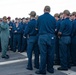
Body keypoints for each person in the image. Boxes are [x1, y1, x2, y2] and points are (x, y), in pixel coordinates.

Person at [35, 6, 56, 74]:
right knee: (51, 54)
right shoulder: (53, 18)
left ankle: (42, 70)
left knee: (43, 54)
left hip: (42, 36)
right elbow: (55, 28)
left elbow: (36, 28)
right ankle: (50, 68)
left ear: (44, 10)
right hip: (51, 36)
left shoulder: (40, 18)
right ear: (50, 10)